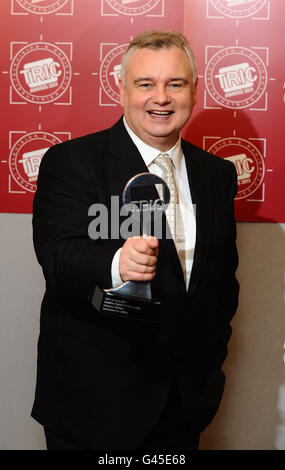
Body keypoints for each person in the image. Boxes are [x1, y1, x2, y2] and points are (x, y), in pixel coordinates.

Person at [31, 30, 239, 450]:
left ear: (193, 91)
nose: (160, 97)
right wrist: (116, 265)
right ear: (122, 89)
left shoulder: (217, 174)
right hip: (94, 406)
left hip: (184, 406)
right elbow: (58, 255)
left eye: (174, 84)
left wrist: (209, 366)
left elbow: (221, 284)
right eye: (146, 84)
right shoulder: (73, 162)